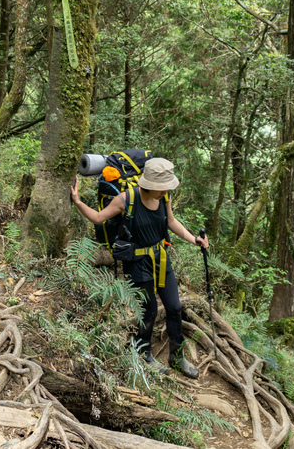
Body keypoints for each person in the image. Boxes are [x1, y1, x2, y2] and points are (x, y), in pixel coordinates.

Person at [70, 158, 208, 378]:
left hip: (160, 258)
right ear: (150, 184)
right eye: (162, 188)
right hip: (136, 262)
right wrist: (77, 201)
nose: (165, 191)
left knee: (174, 307)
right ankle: (143, 353)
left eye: (167, 188)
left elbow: (170, 222)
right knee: (149, 309)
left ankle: (177, 355)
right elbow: (98, 218)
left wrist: (194, 240)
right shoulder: (127, 199)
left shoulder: (165, 198)